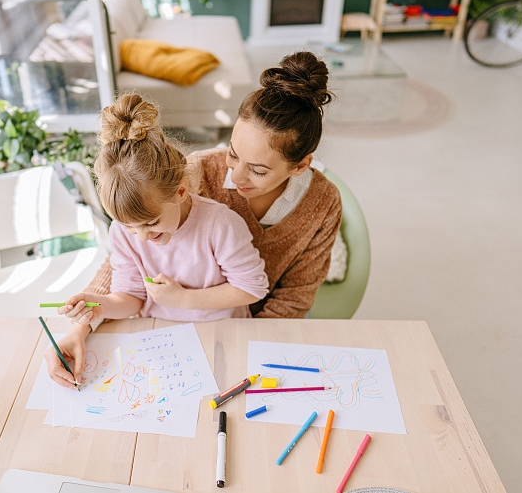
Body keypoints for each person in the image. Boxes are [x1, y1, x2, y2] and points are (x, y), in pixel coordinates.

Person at [48, 51, 342, 388]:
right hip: (171, 337)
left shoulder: (322, 204)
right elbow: (127, 259)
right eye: (233, 154)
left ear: (301, 166)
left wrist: (249, 351)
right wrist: (82, 326)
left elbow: (294, 297)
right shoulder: (194, 172)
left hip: (244, 332)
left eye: (258, 170)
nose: (237, 176)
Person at [55, 92, 269, 330]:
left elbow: (252, 288)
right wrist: (100, 306)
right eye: (130, 227)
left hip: (222, 332)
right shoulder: (122, 232)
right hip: (158, 334)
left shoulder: (220, 225)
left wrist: (183, 299)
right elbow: (131, 297)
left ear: (180, 191)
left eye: (151, 222)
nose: (142, 237)